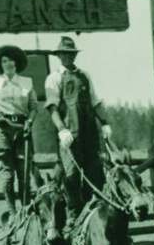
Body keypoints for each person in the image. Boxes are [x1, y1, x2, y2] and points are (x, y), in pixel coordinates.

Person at [44, 36, 113, 226]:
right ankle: (74, 214)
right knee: (71, 174)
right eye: (64, 54)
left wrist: (104, 122)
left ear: (75, 55)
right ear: (59, 56)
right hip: (69, 135)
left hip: (89, 133)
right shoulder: (54, 77)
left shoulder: (85, 76)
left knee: (95, 171)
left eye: (71, 53)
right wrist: (61, 130)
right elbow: (52, 107)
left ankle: (96, 211)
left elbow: (95, 101)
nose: (68, 57)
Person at [0, 44, 39, 216]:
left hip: (22, 129)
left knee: (24, 174)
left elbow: (33, 106)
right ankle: (12, 213)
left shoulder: (26, 82)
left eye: (11, 60)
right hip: (1, 128)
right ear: (0, 65)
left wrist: (30, 121)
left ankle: (25, 212)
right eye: (4, 61)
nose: (8, 64)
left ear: (16, 63)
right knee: (7, 174)